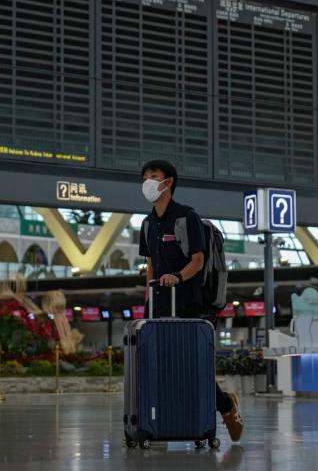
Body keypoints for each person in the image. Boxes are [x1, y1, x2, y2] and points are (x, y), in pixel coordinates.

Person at [138, 159, 244, 442]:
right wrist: (147, 300)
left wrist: (178, 277)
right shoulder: (148, 224)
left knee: (193, 368)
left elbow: (198, 261)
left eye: (154, 176)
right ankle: (164, 423)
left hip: (190, 305)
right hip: (159, 306)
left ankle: (225, 406)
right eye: (145, 176)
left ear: (168, 181)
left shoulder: (187, 217)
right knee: (161, 367)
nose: (147, 181)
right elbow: (150, 265)